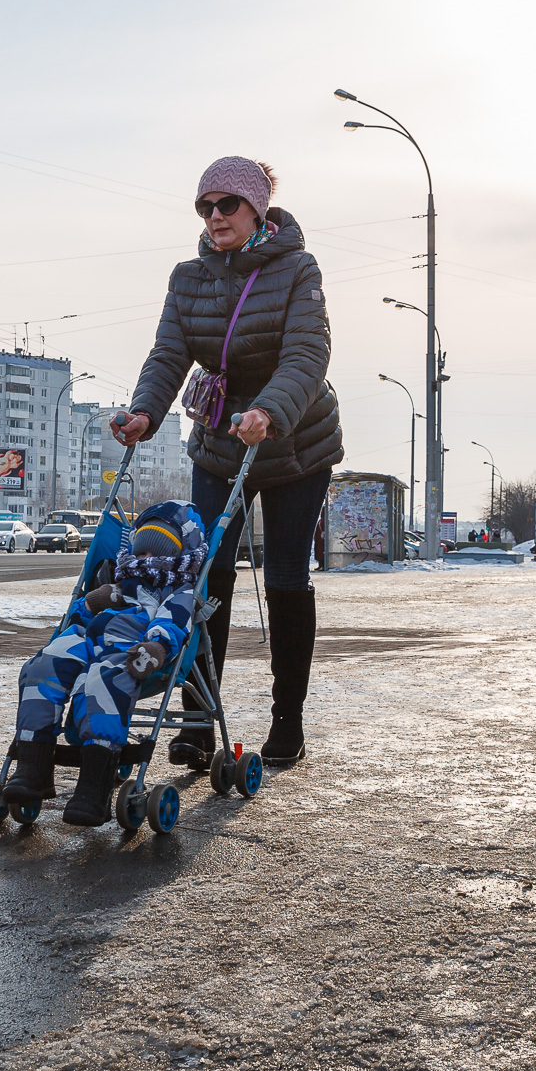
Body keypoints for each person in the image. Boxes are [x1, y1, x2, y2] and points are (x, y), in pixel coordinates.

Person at [118, 155, 342, 769]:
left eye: (227, 205)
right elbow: (169, 354)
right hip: (220, 440)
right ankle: (197, 722)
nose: (214, 217)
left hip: (295, 439)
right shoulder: (188, 276)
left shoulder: (298, 268)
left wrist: (269, 410)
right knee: (205, 578)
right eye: (204, 207)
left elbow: (307, 352)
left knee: (286, 578)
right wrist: (145, 412)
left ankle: (286, 721)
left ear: (256, 209)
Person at [3, 501, 205, 826]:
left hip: (130, 650)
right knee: (42, 667)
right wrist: (92, 601)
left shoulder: (177, 590)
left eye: (153, 554)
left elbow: (173, 622)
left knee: (105, 679)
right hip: (87, 639)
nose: (144, 559)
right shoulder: (119, 581)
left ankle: (92, 791)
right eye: (139, 552)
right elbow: (80, 614)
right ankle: (32, 769)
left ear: (174, 555)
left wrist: (154, 647)